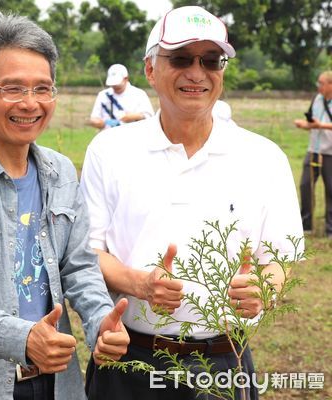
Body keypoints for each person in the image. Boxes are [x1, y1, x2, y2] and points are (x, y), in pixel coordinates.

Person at [80, 6, 303, 400]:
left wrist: (263, 288)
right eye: (181, 58)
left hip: (222, 361)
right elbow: (89, 251)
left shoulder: (264, 157)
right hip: (130, 357)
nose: (197, 73)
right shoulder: (110, 150)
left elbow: (280, 259)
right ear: (150, 70)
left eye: (211, 60)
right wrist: (141, 285)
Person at [0, 12, 130, 400]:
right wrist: (24, 338)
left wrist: (102, 321)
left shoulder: (61, 172)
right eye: (13, 89)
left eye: (42, 89)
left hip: (56, 379)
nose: (30, 104)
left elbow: (79, 266)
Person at [294, 71, 332, 236]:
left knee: (331, 189)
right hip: (313, 149)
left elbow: (320, 124)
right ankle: (306, 225)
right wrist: (305, 124)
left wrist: (320, 126)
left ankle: (330, 228)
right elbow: (313, 122)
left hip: (330, 151)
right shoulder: (316, 99)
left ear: (331, 84)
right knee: (305, 185)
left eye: (321, 83)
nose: (319, 86)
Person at [89, 63, 154, 130]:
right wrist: (99, 123)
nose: (114, 87)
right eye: (112, 85)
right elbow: (94, 118)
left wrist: (134, 116)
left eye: (117, 85)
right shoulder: (103, 95)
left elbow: (150, 117)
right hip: (107, 136)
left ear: (126, 79)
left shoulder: (139, 94)